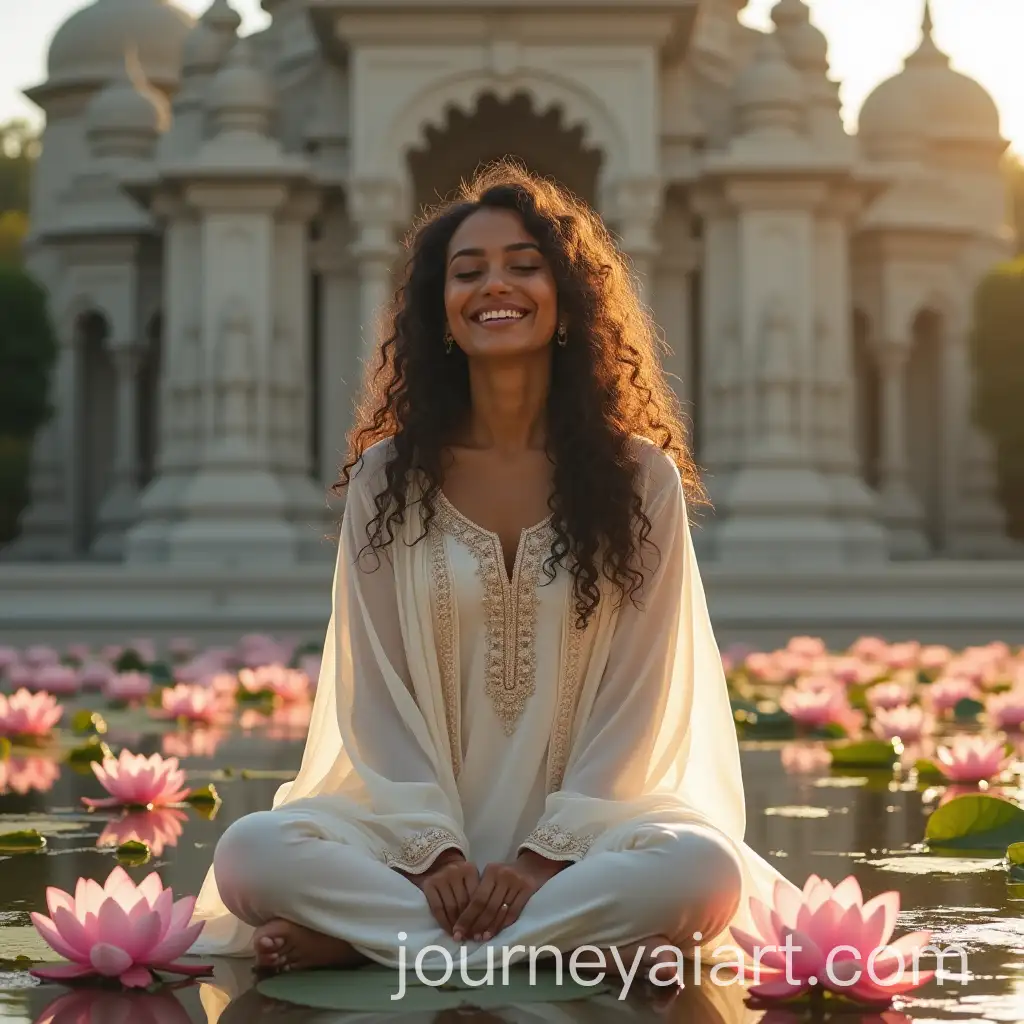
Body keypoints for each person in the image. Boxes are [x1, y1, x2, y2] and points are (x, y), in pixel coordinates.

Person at [190, 161, 791, 982]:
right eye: (466, 272)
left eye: (523, 264)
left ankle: (373, 943)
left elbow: (638, 699)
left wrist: (545, 860)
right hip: (409, 845)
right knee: (252, 852)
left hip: (589, 837)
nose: (494, 286)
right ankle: (577, 944)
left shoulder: (639, 477)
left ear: (569, 296)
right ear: (439, 310)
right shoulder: (387, 478)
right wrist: (433, 856)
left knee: (704, 871)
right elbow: (378, 693)